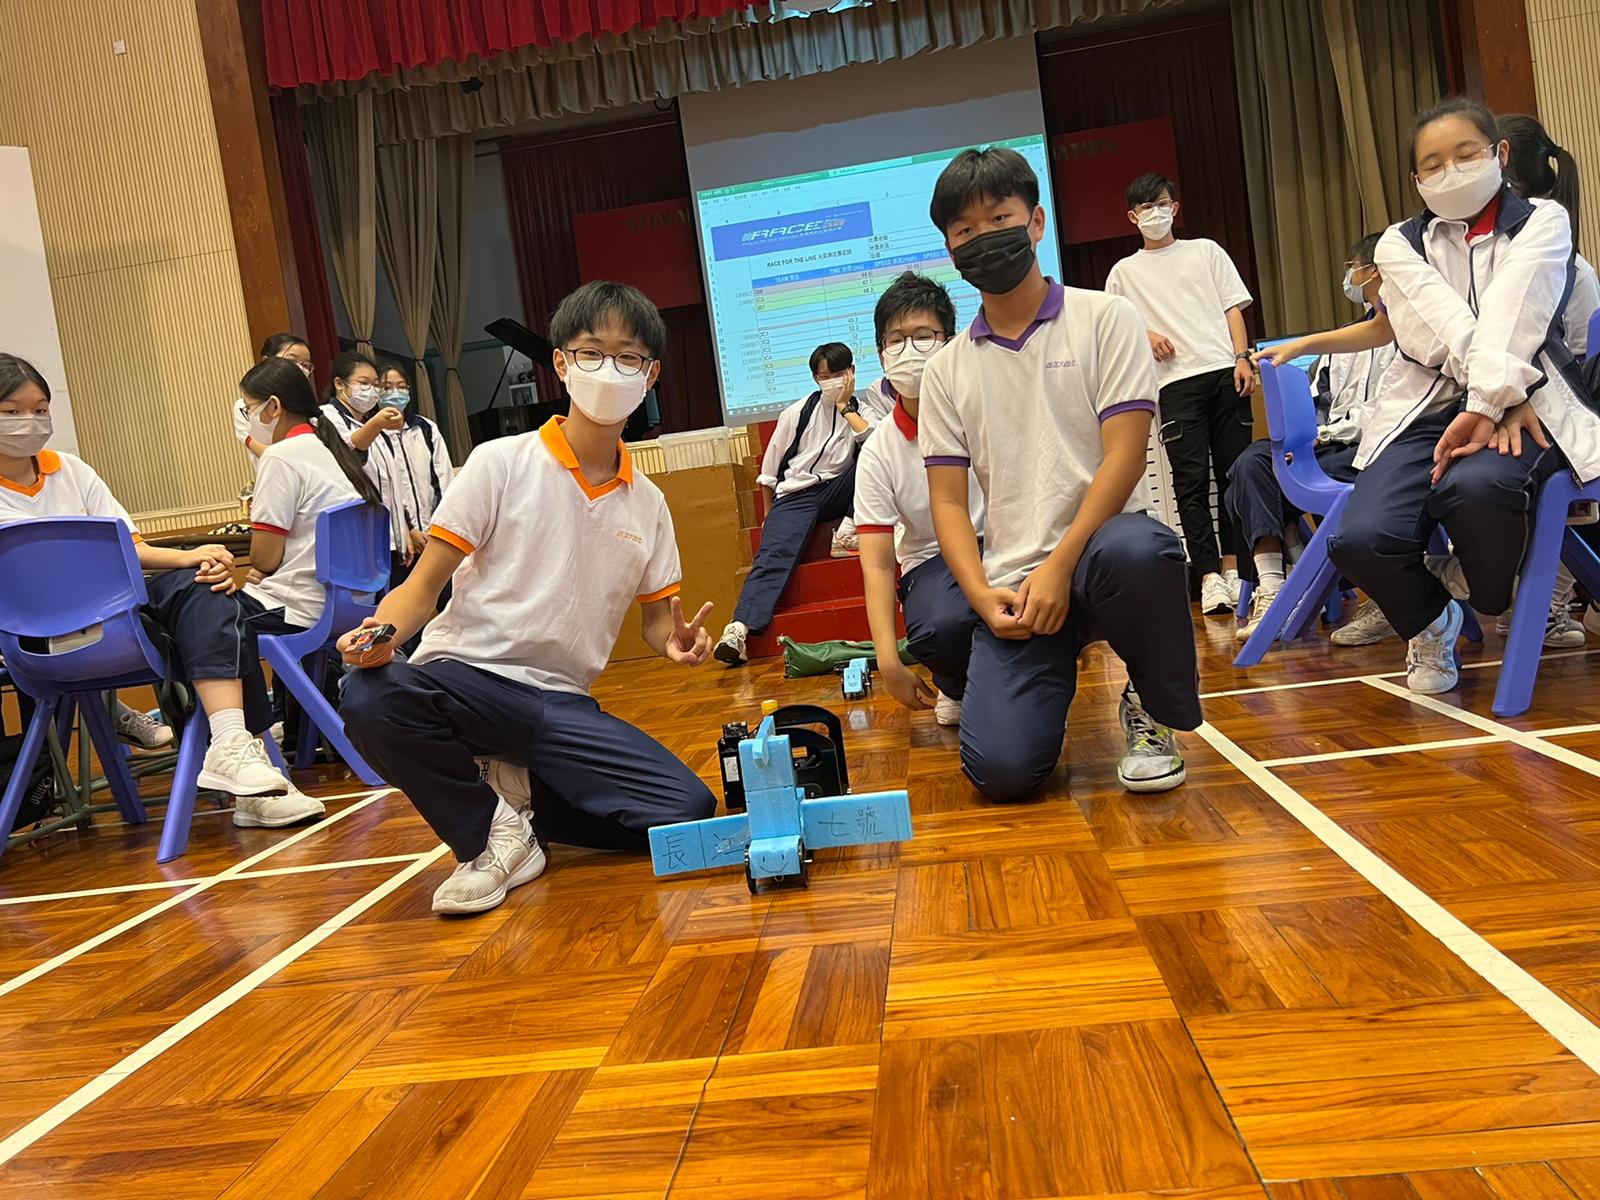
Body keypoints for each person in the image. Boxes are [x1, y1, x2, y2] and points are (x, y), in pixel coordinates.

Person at [336, 282, 719, 917]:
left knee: (686, 812)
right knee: (371, 695)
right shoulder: (499, 462)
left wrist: (674, 642)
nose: (609, 369)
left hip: (560, 702)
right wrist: (381, 633)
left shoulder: (648, 504)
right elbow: (424, 586)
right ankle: (490, 834)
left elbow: (657, 622)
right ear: (562, 364)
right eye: (591, 352)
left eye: (629, 357)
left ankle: (520, 797)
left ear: (650, 375)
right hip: (469, 676)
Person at [919, 146, 1200, 800]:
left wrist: (1060, 565)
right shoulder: (946, 370)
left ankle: (1152, 708)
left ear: (1037, 222)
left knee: (1144, 549)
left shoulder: (1105, 318)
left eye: (999, 218)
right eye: (964, 231)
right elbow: (950, 505)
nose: (983, 238)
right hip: (1017, 581)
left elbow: (1126, 454)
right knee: (1004, 774)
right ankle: (1041, 694)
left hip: (1099, 554)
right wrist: (984, 595)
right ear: (950, 249)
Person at [1325, 98, 1600, 694]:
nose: (1450, 171)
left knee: (1483, 488)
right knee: (1360, 540)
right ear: (1415, 180)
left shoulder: (1544, 222)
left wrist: (1494, 399)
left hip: (1527, 405)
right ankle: (1434, 617)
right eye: (1433, 164)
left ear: (1499, 155)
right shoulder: (1399, 243)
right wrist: (1501, 390)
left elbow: (1516, 310)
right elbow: (1443, 328)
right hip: (1433, 404)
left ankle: (1483, 592)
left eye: (1466, 154)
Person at [0, 353, 316, 825]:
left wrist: (194, 555)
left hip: (113, 626)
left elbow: (131, 546)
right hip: (37, 643)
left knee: (206, 584)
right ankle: (247, 769)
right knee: (215, 613)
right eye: (12, 411)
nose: (31, 421)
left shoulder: (70, 469)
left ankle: (233, 748)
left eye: (41, 408)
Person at [1226, 233, 1394, 641]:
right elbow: (1317, 398)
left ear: (1374, 271)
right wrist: (1312, 436)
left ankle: (1308, 580)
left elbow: (1390, 409)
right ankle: (1275, 589)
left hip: (1376, 447)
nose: (1349, 278)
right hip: (1328, 445)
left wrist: (1324, 434)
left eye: (1351, 268)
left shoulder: (1408, 337)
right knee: (1250, 464)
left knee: (1247, 485)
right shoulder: (1340, 343)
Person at [1105, 172, 1256, 616]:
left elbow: (1232, 307)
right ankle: (1207, 576)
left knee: (1235, 476)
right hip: (1173, 384)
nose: (1156, 213)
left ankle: (1235, 568)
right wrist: (1147, 332)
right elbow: (1114, 328)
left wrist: (1242, 357)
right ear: (1133, 217)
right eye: (1146, 208)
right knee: (1190, 483)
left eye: (1162, 204)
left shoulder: (1205, 251)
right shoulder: (1123, 273)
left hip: (1223, 370)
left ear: (1175, 208)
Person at [853, 272, 985, 727]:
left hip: (1003, 542)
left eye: (924, 336)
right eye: (896, 339)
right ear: (880, 352)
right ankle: (956, 681)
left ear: (949, 340)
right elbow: (877, 562)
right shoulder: (878, 451)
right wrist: (888, 660)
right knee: (942, 625)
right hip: (932, 562)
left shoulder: (984, 407)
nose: (909, 350)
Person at [713, 342, 890, 665]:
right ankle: (738, 630)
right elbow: (769, 471)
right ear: (814, 378)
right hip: (796, 495)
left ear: (851, 373)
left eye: (838, 374)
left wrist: (845, 409)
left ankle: (848, 530)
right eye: (824, 376)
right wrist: (770, 516)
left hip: (837, 491)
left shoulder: (862, 410)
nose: (831, 382)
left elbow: (875, 444)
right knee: (773, 556)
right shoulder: (796, 413)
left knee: (875, 451)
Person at [368, 362, 455, 592]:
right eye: (387, 387)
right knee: (406, 604)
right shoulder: (371, 435)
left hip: (435, 536)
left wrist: (437, 529)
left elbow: (443, 479)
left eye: (401, 387)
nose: (395, 393)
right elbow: (381, 490)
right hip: (400, 541)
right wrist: (410, 528)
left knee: (448, 599)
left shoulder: (425, 428)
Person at [234, 333, 313, 469]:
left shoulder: (305, 403)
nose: (300, 369)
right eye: (292, 361)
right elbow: (266, 453)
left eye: (305, 365)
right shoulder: (246, 406)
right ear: (267, 361)